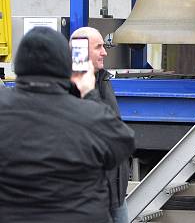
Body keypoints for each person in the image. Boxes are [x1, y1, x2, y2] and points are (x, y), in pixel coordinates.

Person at [0, 26, 135, 223]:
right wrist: (89, 93)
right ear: (65, 65)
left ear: (19, 65)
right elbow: (123, 143)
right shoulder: (86, 114)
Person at [70, 27, 132, 223]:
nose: (105, 52)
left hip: (116, 195)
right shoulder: (67, 87)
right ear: (79, 51)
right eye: (98, 47)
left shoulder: (103, 80)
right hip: (90, 198)